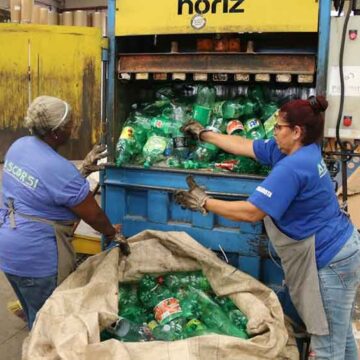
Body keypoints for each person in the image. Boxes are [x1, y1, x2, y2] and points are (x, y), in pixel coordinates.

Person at [175, 96, 360, 360]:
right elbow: (243, 144)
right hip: (344, 248)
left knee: (328, 348)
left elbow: (252, 212)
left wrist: (205, 202)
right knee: (341, 340)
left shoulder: (293, 167)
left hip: (330, 260)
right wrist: (204, 134)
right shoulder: (302, 149)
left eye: (278, 127)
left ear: (296, 132)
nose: (273, 132)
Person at [0, 95, 126, 330]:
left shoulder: (19, 146)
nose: (74, 128)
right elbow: (94, 215)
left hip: (9, 251)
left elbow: (47, 190)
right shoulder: (57, 167)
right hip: (37, 259)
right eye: (70, 124)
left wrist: (83, 170)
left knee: (34, 314)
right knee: (51, 326)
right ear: (56, 132)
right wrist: (112, 233)